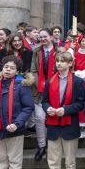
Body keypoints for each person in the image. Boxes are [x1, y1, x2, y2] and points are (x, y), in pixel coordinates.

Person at [41, 51, 85, 169]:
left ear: (70, 63)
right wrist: (47, 108)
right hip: (53, 127)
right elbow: (44, 101)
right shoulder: (50, 81)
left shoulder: (78, 81)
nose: (59, 63)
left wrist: (65, 110)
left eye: (62, 61)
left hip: (70, 126)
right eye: (57, 61)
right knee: (53, 162)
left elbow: (81, 103)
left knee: (70, 162)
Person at [30, 28, 55, 160]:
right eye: (40, 37)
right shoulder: (36, 51)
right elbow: (33, 69)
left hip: (56, 89)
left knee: (53, 117)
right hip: (38, 90)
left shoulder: (59, 51)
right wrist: (41, 84)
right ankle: (41, 146)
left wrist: (51, 84)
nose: (42, 39)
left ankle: (52, 145)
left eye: (45, 36)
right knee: (39, 118)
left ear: (51, 37)